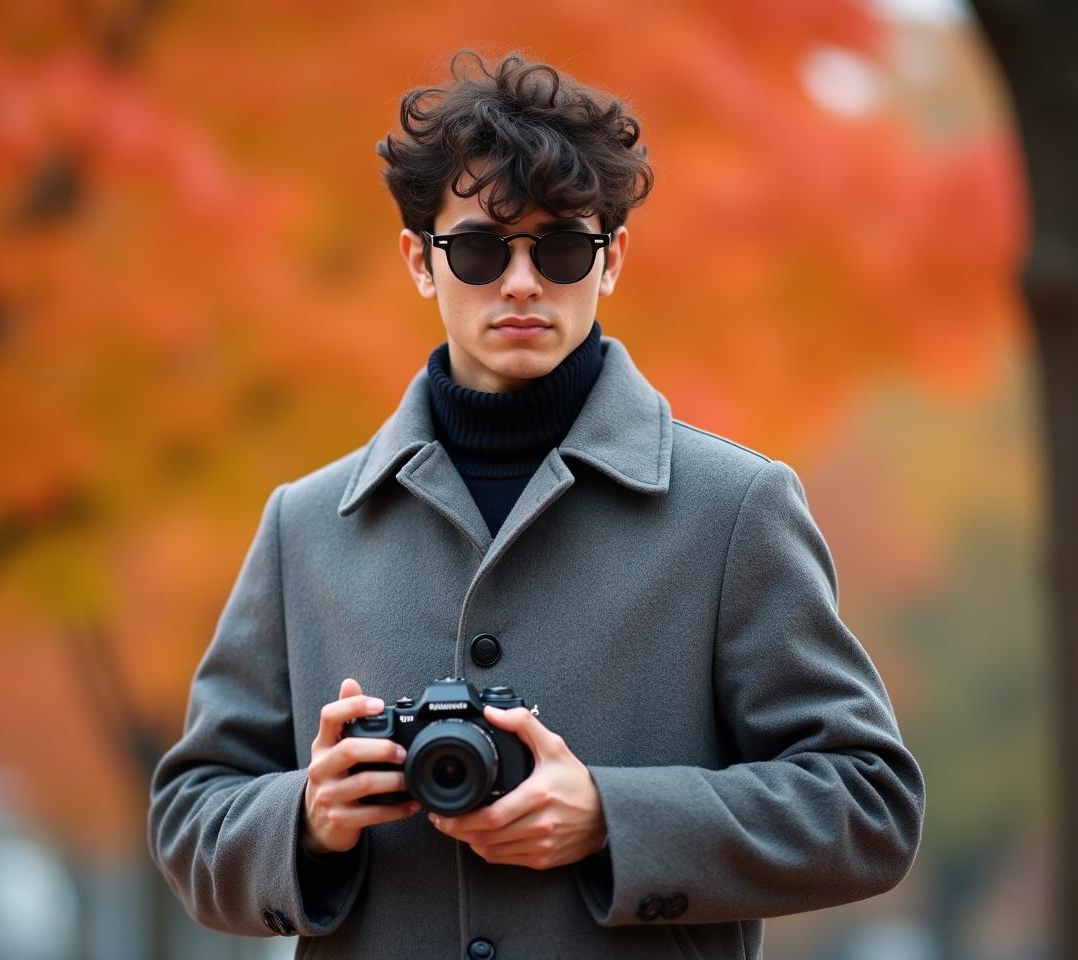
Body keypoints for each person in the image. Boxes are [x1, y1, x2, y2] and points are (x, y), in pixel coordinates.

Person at [148, 50, 926, 960]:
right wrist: (308, 818)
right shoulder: (306, 525)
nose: (521, 282)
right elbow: (189, 816)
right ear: (420, 262)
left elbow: (870, 805)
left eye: (560, 247)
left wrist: (613, 818)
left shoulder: (735, 508)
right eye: (479, 248)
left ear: (612, 259)